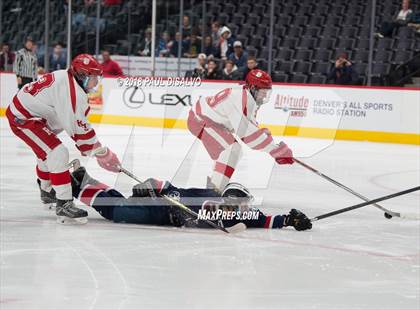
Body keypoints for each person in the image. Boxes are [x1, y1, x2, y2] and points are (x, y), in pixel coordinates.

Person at [5, 54, 121, 224]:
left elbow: (76, 125)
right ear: (82, 76)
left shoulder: (68, 80)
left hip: (30, 114)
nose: (97, 82)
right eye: (94, 77)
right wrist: (103, 153)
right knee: (57, 153)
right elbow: (80, 132)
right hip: (24, 118)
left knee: (46, 153)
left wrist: (96, 150)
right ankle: (64, 204)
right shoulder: (71, 91)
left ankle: (46, 191)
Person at [69, 162, 312, 231]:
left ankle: (84, 182)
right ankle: (78, 186)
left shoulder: (245, 215)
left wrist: (290, 220)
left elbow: (268, 221)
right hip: (161, 208)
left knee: (118, 207)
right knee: (116, 211)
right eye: (238, 202)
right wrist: (152, 186)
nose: (240, 207)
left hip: (164, 218)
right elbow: (174, 189)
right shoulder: (208, 196)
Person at [188, 69, 293, 191]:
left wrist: (273, 146)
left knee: (230, 151)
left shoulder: (248, 97)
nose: (265, 95)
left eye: (267, 92)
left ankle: (214, 186)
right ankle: (213, 191)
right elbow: (247, 135)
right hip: (200, 120)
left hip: (209, 121)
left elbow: (252, 127)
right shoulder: (241, 99)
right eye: (263, 91)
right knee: (232, 150)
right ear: (253, 88)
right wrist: (275, 150)